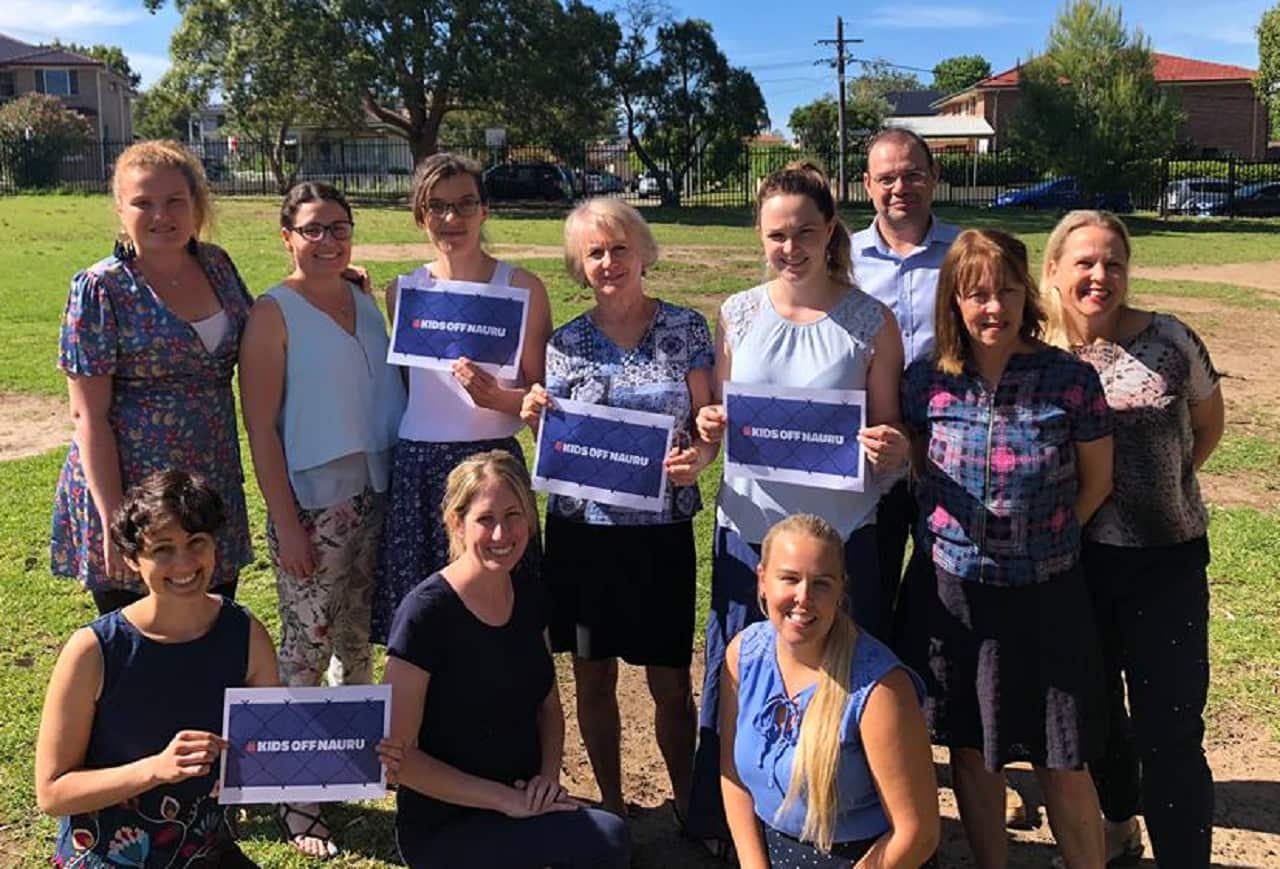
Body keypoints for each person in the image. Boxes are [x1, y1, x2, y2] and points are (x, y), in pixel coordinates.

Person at [687, 161, 909, 847]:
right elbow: (720, 422)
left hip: (837, 543)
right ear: (760, 235)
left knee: (838, 688)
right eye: (776, 235)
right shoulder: (737, 313)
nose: (791, 247)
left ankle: (842, 825)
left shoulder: (872, 321)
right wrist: (709, 427)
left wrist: (890, 446)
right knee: (740, 686)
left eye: (805, 232)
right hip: (749, 535)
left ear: (830, 229)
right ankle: (731, 828)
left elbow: (892, 434)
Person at [901, 229, 1114, 868]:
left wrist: (1045, 539)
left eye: (1008, 292)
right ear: (955, 302)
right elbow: (921, 471)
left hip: (1047, 594)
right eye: (977, 295)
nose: (994, 307)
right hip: (955, 594)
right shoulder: (926, 380)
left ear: (1028, 294)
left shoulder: (1069, 379)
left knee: (1061, 755)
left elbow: (1098, 480)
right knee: (971, 748)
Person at [519, 198, 714, 822]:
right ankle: (611, 805)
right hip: (585, 536)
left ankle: (686, 802)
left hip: (662, 533)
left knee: (670, 682)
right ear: (580, 265)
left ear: (643, 252)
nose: (609, 262)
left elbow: (707, 425)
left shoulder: (687, 328)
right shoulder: (565, 343)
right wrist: (536, 420)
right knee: (593, 676)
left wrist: (699, 458)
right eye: (595, 253)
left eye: (620, 248)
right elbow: (558, 444)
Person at [1044, 211, 1223, 867]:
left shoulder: (1169, 338)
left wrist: (1162, 489)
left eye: (1113, 262)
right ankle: (1119, 822)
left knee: (1170, 730)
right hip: (1075, 564)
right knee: (1095, 717)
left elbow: (1208, 423)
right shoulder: (1037, 352)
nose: (1100, 275)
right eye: (1085, 262)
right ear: (1054, 269)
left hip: (1165, 560)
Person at [239, 181, 406, 856]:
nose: (327, 240)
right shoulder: (272, 313)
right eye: (312, 229)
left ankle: (344, 765)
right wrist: (286, 522)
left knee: (356, 640)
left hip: (376, 491)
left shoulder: (362, 299)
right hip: (314, 504)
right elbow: (260, 427)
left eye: (338, 227)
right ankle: (295, 795)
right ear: (287, 237)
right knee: (305, 648)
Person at [383, 450, 631, 868]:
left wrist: (547, 779)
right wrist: (504, 801)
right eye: (485, 519)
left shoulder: (529, 593)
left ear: (529, 520)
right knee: (604, 841)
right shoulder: (424, 614)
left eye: (513, 515)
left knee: (611, 839)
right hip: (449, 821)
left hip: (524, 801)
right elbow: (398, 760)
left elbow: (548, 706)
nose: (501, 533)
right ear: (457, 523)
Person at [50, 140, 253, 615]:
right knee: (140, 637)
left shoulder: (217, 266)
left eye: (174, 201)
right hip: (134, 496)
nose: (161, 215)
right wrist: (114, 521)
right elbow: (88, 417)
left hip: (210, 484)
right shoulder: (101, 289)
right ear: (121, 210)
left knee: (211, 627)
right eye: (143, 202)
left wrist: (329, 280)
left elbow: (264, 333)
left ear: (195, 204)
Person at [36, 471, 277, 867]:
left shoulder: (245, 634)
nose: (184, 562)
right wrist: (156, 769)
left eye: (197, 542)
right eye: (162, 549)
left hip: (204, 850)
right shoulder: (95, 650)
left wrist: (362, 756)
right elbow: (52, 792)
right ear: (133, 559)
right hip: (110, 856)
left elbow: (272, 748)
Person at [373, 153, 553, 645]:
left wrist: (500, 399)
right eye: (437, 206)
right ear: (420, 214)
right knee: (425, 619)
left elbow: (544, 400)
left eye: (465, 204)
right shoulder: (402, 291)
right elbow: (411, 386)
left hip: (493, 464)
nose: (451, 218)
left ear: (484, 210)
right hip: (421, 467)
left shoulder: (521, 288)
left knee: (506, 615)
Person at [720, 513, 939, 869]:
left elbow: (918, 833)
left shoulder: (881, 688)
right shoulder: (742, 655)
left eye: (821, 583)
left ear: (841, 589)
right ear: (762, 580)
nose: (803, 598)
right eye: (789, 578)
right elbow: (732, 775)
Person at [850, 128, 960, 642]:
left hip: (952, 446)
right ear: (867, 185)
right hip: (872, 449)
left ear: (934, 177)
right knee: (870, 586)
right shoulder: (843, 260)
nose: (901, 188)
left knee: (948, 594)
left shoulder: (965, 252)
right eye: (887, 178)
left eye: (913, 174)